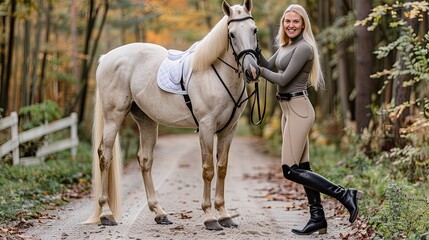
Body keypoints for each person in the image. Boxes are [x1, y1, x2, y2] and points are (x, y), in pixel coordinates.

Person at [258, 4, 363, 235]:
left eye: (296, 21)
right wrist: (251, 48)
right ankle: (318, 218)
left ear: (303, 24)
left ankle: (344, 194)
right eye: (287, 21)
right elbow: (267, 65)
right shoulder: (286, 46)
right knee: (303, 166)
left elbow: (282, 78)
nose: (291, 25)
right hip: (288, 109)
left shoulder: (304, 48)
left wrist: (259, 72)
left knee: (290, 169)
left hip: (299, 109)